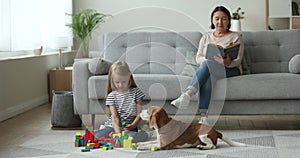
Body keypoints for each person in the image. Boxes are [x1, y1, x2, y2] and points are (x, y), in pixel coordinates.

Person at [171, 6, 244, 124]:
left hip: (231, 69)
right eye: (217, 19)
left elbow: (238, 60)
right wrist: (206, 60)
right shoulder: (206, 37)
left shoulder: (235, 37)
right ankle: (204, 117)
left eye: (224, 19)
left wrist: (228, 62)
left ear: (229, 21)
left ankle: (187, 95)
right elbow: (198, 57)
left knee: (208, 66)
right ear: (212, 21)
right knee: (208, 73)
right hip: (211, 68)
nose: (220, 22)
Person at [94, 61, 148, 142]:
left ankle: (113, 138)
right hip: (113, 126)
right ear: (112, 81)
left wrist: (133, 125)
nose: (120, 85)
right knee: (96, 135)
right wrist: (118, 133)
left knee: (137, 137)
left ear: (129, 77)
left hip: (129, 128)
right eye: (117, 82)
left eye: (123, 82)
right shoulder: (111, 96)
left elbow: (139, 114)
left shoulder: (136, 92)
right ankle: (113, 136)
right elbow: (115, 117)